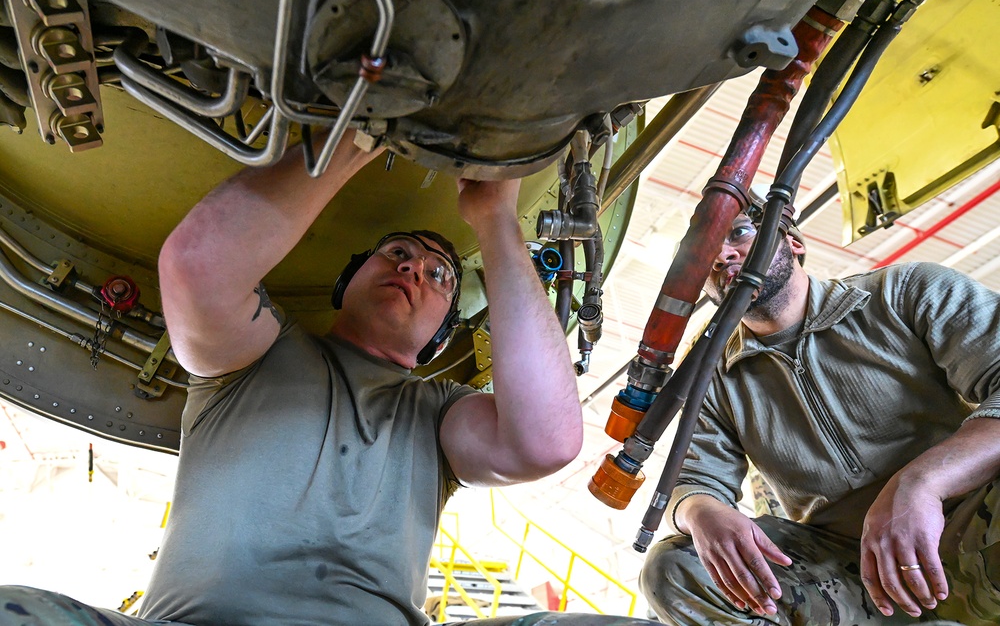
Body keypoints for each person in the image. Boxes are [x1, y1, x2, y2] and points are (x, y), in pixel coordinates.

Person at [0, 133, 656, 626]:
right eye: (397, 254)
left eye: (439, 276)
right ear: (346, 285)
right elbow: (199, 269)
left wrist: (494, 219)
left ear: (439, 339)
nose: (414, 270)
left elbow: (543, 442)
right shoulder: (257, 355)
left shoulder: (439, 413)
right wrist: (358, 134)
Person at [638, 212, 1000, 626]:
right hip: (850, 579)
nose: (720, 255)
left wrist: (921, 483)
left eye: (738, 232)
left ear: (794, 242)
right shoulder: (711, 375)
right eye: (701, 254)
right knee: (673, 568)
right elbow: (693, 482)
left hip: (977, 525)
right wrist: (701, 512)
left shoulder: (904, 293)